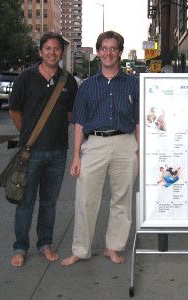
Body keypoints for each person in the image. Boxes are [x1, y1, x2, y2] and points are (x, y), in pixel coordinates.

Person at [61, 31, 139, 266]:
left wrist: (141, 152)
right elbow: (79, 123)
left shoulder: (133, 83)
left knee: (122, 200)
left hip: (125, 145)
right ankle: (81, 249)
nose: (108, 53)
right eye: (104, 48)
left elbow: (138, 121)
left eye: (113, 48)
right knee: (85, 200)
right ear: (97, 52)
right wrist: (76, 156)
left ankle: (113, 247)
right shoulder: (86, 86)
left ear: (120, 53)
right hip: (94, 144)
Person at [8, 32, 78, 267]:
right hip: (31, 153)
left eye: (56, 49)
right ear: (40, 52)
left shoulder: (68, 81)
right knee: (25, 202)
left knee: (49, 202)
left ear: (61, 53)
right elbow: (14, 110)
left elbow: (70, 114)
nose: (52, 52)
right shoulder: (25, 78)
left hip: (58, 152)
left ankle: (44, 244)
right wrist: (27, 135)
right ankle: (20, 247)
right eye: (47, 48)